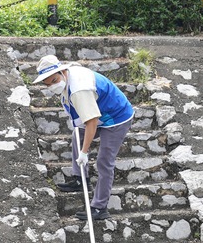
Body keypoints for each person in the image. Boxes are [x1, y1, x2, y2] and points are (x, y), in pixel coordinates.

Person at [33, 55, 134, 221]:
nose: (52, 86)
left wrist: (84, 152)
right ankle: (80, 178)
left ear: (63, 71)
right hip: (98, 113)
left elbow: (92, 122)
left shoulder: (79, 89)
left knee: (104, 160)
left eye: (54, 80)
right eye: (48, 83)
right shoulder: (68, 78)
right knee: (76, 135)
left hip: (116, 117)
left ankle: (99, 207)